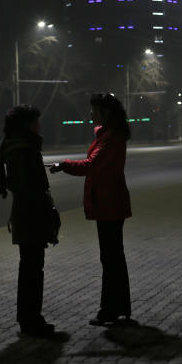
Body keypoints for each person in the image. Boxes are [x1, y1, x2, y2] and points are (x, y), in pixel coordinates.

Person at [51, 92, 134, 327]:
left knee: (110, 259)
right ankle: (119, 308)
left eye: (94, 110)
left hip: (110, 204)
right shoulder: (110, 135)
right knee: (113, 258)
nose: (90, 113)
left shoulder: (111, 138)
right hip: (110, 203)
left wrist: (64, 165)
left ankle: (110, 310)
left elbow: (91, 166)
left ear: (105, 113)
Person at [0, 104, 60, 337]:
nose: (39, 126)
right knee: (33, 269)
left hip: (26, 214)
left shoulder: (16, 146)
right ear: (27, 125)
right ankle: (31, 320)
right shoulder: (23, 149)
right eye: (35, 122)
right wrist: (46, 211)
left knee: (30, 267)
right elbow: (30, 187)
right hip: (30, 215)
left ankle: (29, 318)